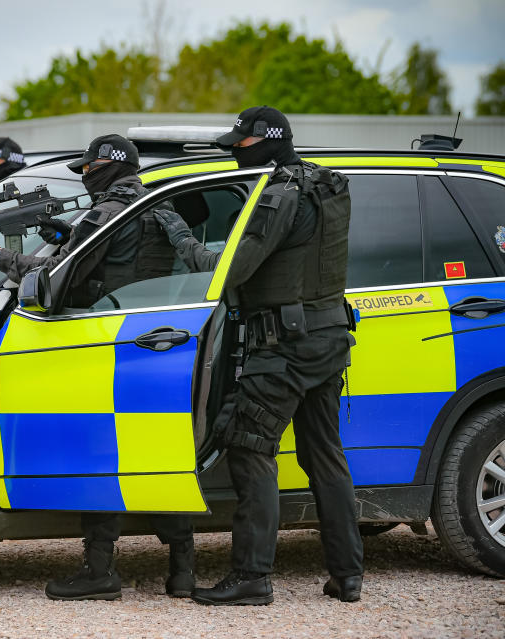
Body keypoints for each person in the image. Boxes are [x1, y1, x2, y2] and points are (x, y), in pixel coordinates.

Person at [152, 106, 363, 605]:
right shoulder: (326, 185)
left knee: (250, 447)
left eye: (238, 146)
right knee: (324, 455)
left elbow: (231, 270)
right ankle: (347, 574)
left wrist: (180, 233)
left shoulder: (280, 195)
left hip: (284, 347)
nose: (232, 155)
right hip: (329, 338)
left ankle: (252, 576)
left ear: (266, 141)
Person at [0, 133, 196, 601]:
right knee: (156, 457)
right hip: (163, 338)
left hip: (106, 339)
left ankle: (99, 572)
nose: (86, 179)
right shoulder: (159, 205)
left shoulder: (104, 213)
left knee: (103, 459)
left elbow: (52, 276)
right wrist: (65, 235)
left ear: (104, 168)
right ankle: (182, 570)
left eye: (89, 170)